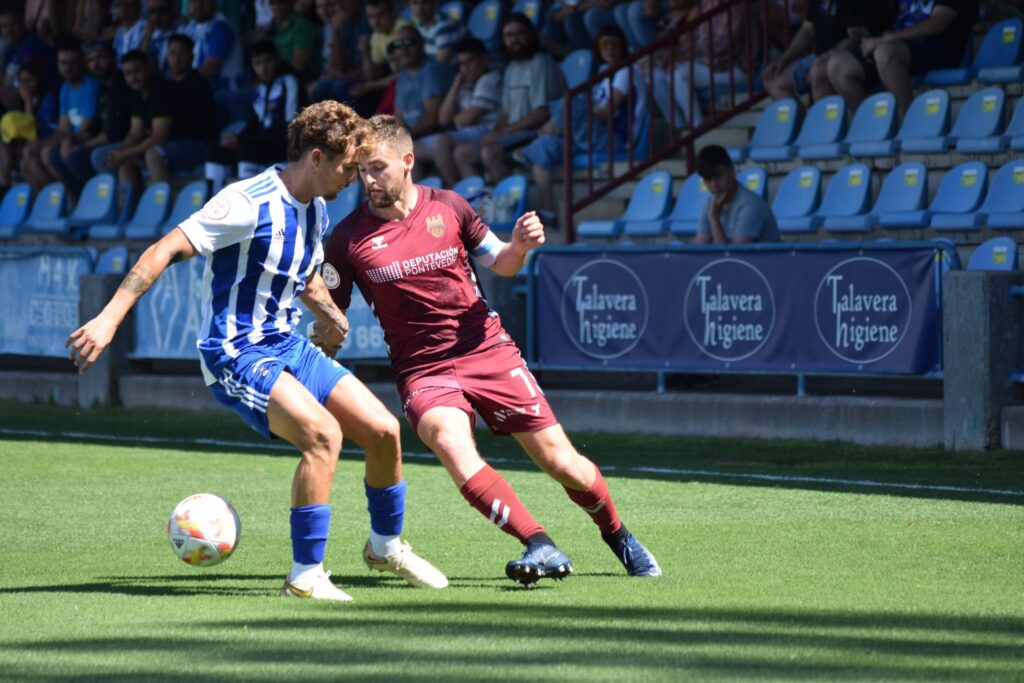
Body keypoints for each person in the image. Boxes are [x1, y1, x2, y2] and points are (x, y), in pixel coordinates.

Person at [67, 100, 448, 602]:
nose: (355, 178)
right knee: (322, 436)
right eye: (347, 167)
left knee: (382, 431)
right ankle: (304, 577)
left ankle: (385, 547)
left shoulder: (317, 208)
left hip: (287, 343)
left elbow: (301, 271)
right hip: (237, 351)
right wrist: (109, 316)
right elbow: (163, 250)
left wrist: (330, 314)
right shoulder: (245, 202)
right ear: (316, 157)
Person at [322, 115, 662, 586]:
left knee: (563, 464)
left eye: (377, 167)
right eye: (362, 169)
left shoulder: (452, 207)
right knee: (450, 443)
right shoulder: (345, 239)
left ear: (408, 161)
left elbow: (502, 262)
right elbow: (331, 316)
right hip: (423, 370)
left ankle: (618, 534)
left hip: (489, 351)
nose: (368, 179)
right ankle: (538, 541)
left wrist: (520, 247)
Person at [521, 24, 646, 224]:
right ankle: (548, 212)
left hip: (616, 139)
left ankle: (553, 128)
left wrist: (579, 115)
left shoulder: (626, 71)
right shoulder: (606, 73)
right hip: (592, 137)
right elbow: (596, 109)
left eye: (614, 44)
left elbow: (605, 113)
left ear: (623, 46)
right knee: (544, 148)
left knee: (569, 103)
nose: (609, 49)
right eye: (604, 44)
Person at [453, 13, 565, 183]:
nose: (515, 39)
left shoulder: (542, 64)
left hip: (537, 132)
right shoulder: (511, 68)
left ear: (531, 35)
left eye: (520, 33)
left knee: (490, 151)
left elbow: (542, 114)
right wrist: (495, 132)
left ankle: (508, 204)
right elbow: (506, 112)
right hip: (515, 133)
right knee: (462, 153)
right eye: (509, 35)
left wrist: (504, 132)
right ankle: (479, 204)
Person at [826, 0, 978, 116]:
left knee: (886, 53)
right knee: (837, 65)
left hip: (937, 47)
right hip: (900, 46)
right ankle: (872, 123)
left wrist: (889, 38)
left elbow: (939, 22)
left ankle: (909, 121)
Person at [205, 40, 299, 192]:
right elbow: (253, 124)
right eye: (257, 63)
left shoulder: (289, 82)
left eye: (267, 61)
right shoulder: (260, 89)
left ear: (276, 61)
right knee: (215, 151)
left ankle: (248, 202)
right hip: (258, 144)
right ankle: (211, 202)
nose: (263, 68)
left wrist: (244, 140)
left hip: (284, 144)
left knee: (247, 147)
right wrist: (236, 138)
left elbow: (290, 124)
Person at [413, 36, 500, 187]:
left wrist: (457, 118)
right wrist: (456, 84)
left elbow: (467, 118)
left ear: (484, 59)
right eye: (461, 64)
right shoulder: (464, 84)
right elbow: (444, 119)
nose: (465, 68)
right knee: (410, 149)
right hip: (468, 133)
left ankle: (455, 194)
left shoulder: (490, 79)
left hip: (487, 131)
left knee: (442, 141)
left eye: (470, 62)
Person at [763, 0, 891, 102]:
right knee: (773, 79)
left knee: (818, 69)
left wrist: (825, 57)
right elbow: (808, 29)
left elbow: (856, 36)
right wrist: (784, 59)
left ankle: (828, 130)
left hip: (852, 56)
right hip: (819, 57)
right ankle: (807, 129)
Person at [693, 145, 779, 244]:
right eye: (708, 179)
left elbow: (733, 256)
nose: (714, 184)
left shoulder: (750, 205)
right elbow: (699, 248)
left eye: (719, 176)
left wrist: (715, 221)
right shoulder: (710, 204)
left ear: (732, 171)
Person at [390, 25, 453, 139]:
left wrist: (407, 138)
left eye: (409, 42)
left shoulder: (432, 70)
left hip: (434, 137)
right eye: (398, 45)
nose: (404, 49)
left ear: (422, 44)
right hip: (412, 138)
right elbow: (399, 115)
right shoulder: (402, 76)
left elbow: (433, 117)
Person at [407, 0, 465, 65]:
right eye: (415, 3)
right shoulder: (418, 26)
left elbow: (440, 66)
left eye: (425, 2)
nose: (419, 8)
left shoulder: (445, 26)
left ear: (435, 3)